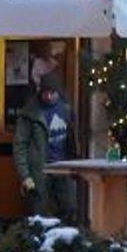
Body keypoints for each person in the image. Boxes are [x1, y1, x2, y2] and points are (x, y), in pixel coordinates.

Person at [12, 74, 77, 221]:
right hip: (39, 171)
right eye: (45, 93)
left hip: (64, 168)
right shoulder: (30, 113)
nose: (48, 96)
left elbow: (72, 141)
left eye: (52, 93)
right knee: (39, 215)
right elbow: (20, 146)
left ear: (58, 92)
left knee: (69, 209)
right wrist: (25, 176)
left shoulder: (66, 110)